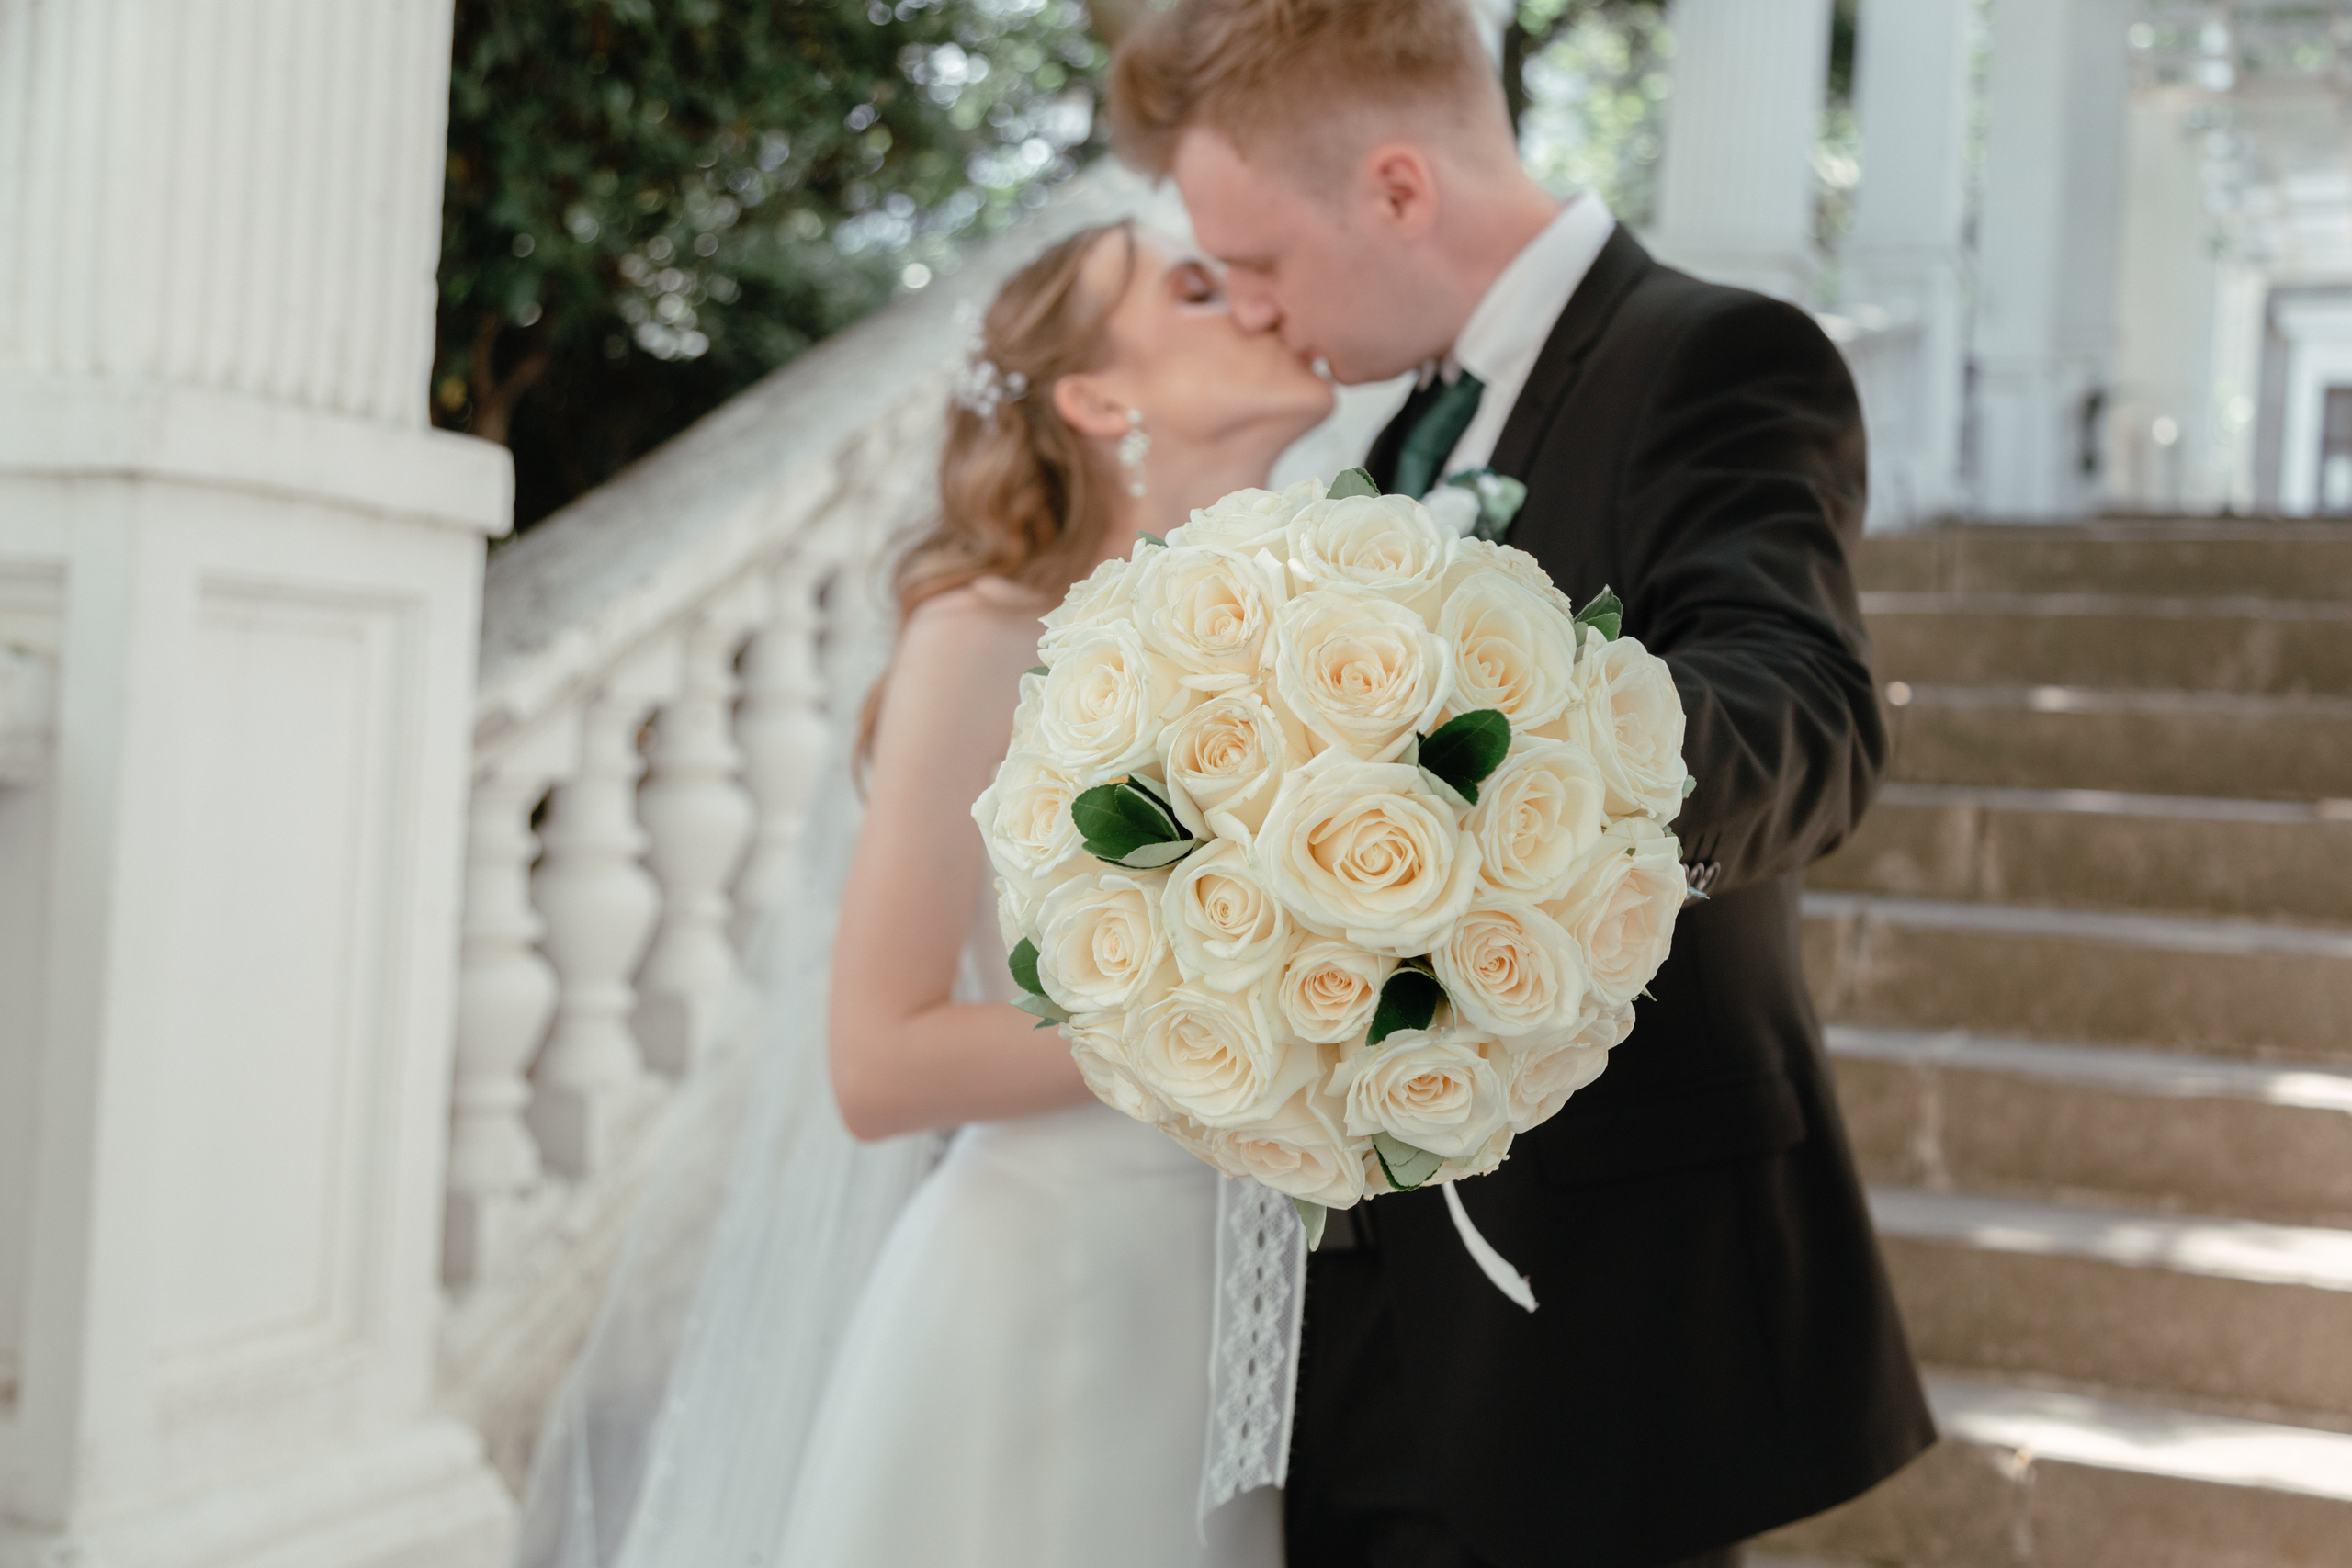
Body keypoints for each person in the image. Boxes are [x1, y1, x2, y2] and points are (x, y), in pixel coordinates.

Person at [1106, 3, 1939, 1566]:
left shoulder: (1711, 354)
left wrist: (1469, 781)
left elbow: (1810, 711)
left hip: (1602, 1294)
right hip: (1356, 1307)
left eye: (1266, 262)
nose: (1263, 314)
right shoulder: (1410, 415)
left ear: (1398, 189)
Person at [512, 218, 1332, 1568]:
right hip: (1048, 1295)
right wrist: (1234, 1011)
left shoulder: (1310, 624)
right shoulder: (985, 636)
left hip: (1234, 1312)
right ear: (1096, 398)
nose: (1253, 295)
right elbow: (878, 1059)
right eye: (1195, 288)